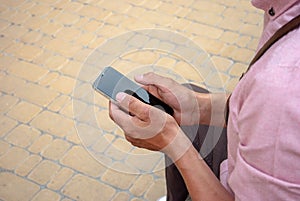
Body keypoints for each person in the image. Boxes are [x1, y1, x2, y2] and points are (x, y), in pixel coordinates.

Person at [109, 0, 300, 200]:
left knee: (176, 131)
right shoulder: (285, 12)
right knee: (189, 110)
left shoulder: (283, 85)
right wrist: (198, 107)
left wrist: (172, 142)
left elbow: (276, 103)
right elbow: (255, 105)